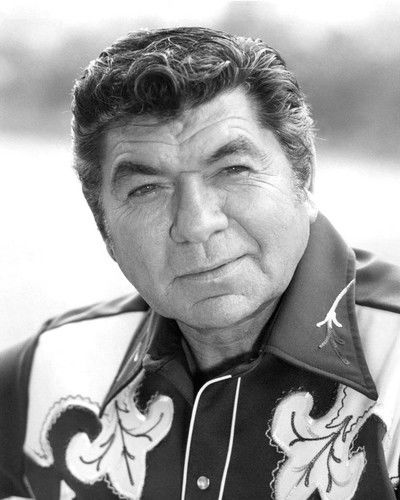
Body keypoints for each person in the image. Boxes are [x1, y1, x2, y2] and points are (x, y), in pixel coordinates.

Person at [1, 26, 400, 500]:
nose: (196, 223)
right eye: (147, 188)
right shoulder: (38, 380)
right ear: (102, 223)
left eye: (233, 169)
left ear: (304, 177)